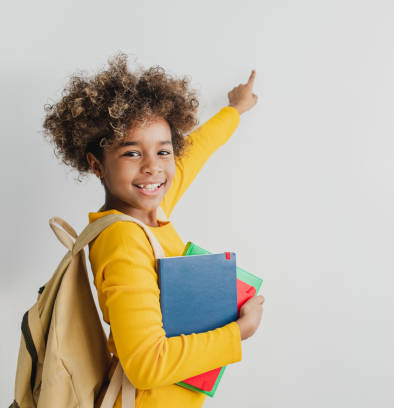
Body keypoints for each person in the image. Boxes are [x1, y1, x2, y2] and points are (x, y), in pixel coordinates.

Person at [42, 53, 264, 407]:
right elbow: (147, 364)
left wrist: (234, 109)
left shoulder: (150, 208)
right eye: (132, 154)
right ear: (96, 164)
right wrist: (240, 332)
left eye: (163, 151)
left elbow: (197, 151)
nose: (153, 168)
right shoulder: (123, 239)